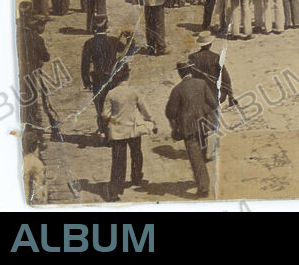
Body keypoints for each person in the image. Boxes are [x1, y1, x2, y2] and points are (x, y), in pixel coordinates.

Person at [101, 65, 155, 202]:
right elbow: (145, 110)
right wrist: (152, 122)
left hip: (118, 131)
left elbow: (105, 115)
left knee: (118, 161)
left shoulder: (111, 93)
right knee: (137, 153)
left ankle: (115, 190)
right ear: (127, 76)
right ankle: (136, 178)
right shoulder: (134, 91)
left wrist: (114, 123)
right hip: (134, 129)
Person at [165, 61, 218, 198]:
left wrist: (176, 122)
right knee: (201, 153)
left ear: (179, 73)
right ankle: (203, 180)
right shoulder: (201, 83)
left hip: (188, 127)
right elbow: (213, 103)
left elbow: (170, 112)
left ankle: (203, 186)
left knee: (195, 158)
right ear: (191, 71)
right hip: (203, 124)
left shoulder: (177, 89)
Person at [80, 15, 122, 139]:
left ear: (93, 27)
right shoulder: (113, 41)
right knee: (113, 107)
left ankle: (103, 131)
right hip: (113, 79)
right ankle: (112, 132)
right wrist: (129, 36)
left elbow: (85, 64)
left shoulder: (89, 43)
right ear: (107, 26)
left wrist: (86, 81)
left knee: (100, 106)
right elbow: (129, 49)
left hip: (98, 79)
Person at [188, 31, 236, 106]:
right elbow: (226, 78)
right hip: (215, 96)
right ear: (210, 44)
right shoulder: (216, 57)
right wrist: (231, 96)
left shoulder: (192, 57)